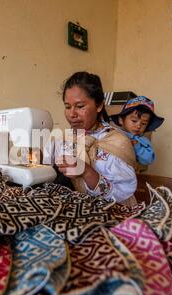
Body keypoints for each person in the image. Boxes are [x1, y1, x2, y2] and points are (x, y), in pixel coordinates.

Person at [55, 71, 137, 205]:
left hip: (114, 213)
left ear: (99, 105)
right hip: (75, 211)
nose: (72, 114)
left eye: (80, 106)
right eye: (67, 107)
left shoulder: (117, 142)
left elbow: (123, 193)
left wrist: (87, 171)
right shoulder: (66, 139)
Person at [111, 96, 164, 166]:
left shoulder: (143, 142)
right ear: (121, 120)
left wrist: (137, 147)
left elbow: (148, 160)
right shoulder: (114, 132)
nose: (139, 126)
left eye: (143, 123)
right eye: (134, 121)